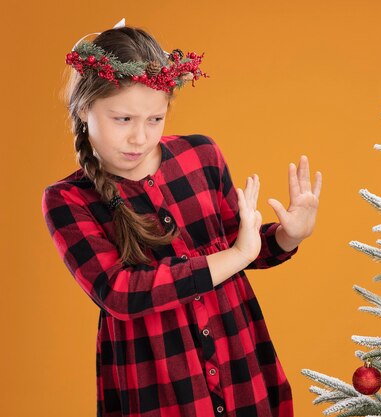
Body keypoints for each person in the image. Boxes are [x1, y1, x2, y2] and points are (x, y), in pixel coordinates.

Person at [41, 18, 321, 417]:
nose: (140, 137)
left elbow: (241, 247)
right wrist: (237, 256)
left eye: (155, 119)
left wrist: (287, 237)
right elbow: (120, 291)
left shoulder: (201, 155)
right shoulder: (67, 199)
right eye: (123, 119)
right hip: (158, 377)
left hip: (238, 357)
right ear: (85, 109)